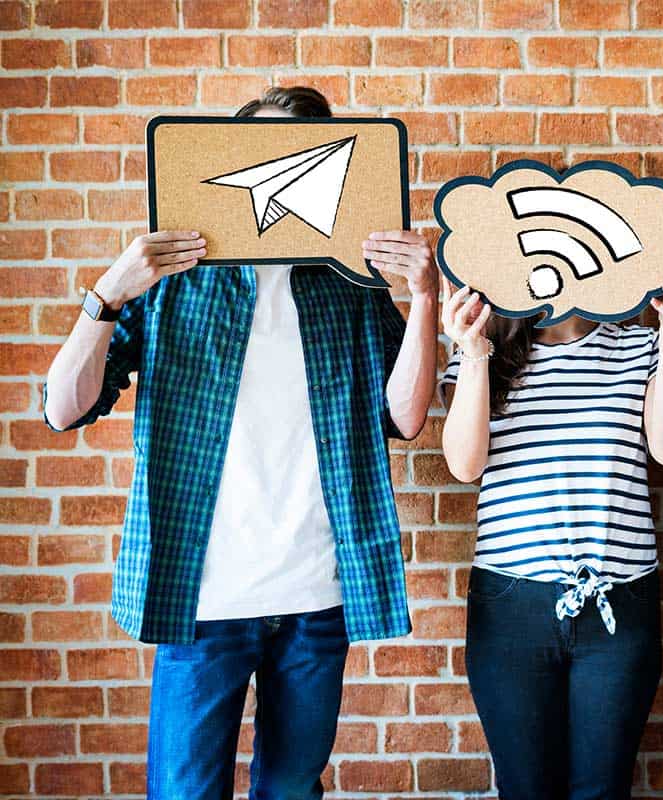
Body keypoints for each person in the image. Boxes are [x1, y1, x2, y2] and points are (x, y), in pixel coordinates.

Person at [42, 86, 438, 799]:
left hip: (318, 599)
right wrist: (108, 292)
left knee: (292, 790)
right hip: (202, 599)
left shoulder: (348, 286)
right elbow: (63, 409)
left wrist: (427, 298)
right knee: (185, 791)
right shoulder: (174, 286)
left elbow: (405, 418)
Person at [439, 273, 663, 798]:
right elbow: (464, 465)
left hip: (619, 602)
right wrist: (470, 352)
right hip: (511, 605)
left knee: (602, 790)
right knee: (526, 789)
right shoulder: (485, 351)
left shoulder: (639, 345)